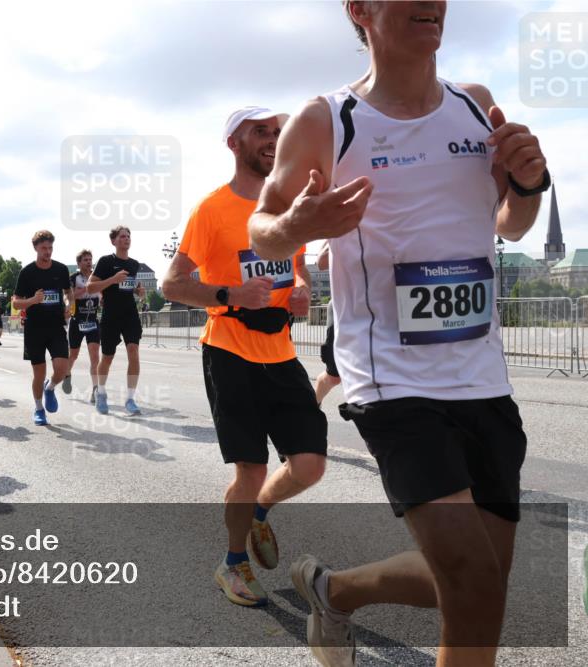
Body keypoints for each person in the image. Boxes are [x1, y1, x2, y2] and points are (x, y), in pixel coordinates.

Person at [249, 3, 547, 664]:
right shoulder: (328, 119)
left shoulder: (475, 105)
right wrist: (297, 225)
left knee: (480, 576)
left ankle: (334, 590)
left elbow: (512, 224)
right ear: (360, 9)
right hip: (391, 379)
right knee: (471, 576)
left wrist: (530, 182)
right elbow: (262, 224)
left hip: (483, 377)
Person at [163, 105, 325, 610]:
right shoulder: (211, 210)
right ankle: (232, 562)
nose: (272, 140)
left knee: (310, 465)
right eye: (260, 132)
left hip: (280, 351)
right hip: (229, 350)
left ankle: (259, 512)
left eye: (277, 132)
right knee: (250, 467)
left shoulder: (285, 206)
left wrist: (300, 290)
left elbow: (295, 268)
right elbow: (172, 285)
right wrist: (231, 294)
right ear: (234, 144)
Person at [12, 230, 72, 426]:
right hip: (35, 329)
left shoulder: (61, 269)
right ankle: (39, 409)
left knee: (62, 369)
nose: (48, 251)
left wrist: (68, 306)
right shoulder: (27, 272)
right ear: (36, 248)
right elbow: (16, 303)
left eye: (50, 248)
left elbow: (68, 293)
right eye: (44, 248)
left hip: (56, 326)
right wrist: (33, 300)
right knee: (39, 373)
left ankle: (50, 388)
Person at [88, 226, 146, 415]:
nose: (126, 239)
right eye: (122, 236)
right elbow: (90, 288)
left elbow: (129, 286)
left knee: (134, 351)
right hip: (110, 314)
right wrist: (112, 279)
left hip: (130, 314)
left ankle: (130, 399)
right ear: (113, 241)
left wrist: (138, 291)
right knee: (107, 357)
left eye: (129, 236)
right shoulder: (106, 262)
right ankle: (101, 393)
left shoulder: (134, 264)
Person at [63, 249, 101, 403]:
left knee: (95, 357)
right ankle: (67, 375)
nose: (89, 262)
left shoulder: (97, 277)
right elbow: (69, 296)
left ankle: (95, 390)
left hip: (92, 321)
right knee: (73, 355)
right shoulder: (74, 278)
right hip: (77, 321)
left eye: (90, 259)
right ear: (79, 263)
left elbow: (103, 294)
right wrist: (87, 288)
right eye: (85, 260)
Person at [313, 243, 341, 405]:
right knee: (333, 377)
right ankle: (313, 407)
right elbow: (322, 261)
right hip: (348, 307)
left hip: (397, 304)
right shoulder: (351, 219)